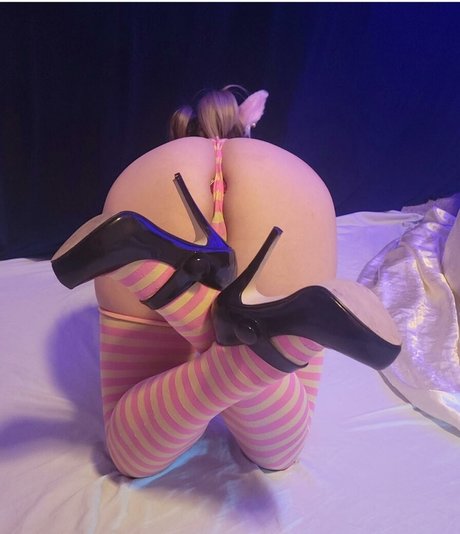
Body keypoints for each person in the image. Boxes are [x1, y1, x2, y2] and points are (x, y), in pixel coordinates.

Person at [52, 86, 401, 478]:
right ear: (246, 127)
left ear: (182, 130)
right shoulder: (290, 168)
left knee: (132, 456)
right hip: (288, 191)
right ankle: (280, 339)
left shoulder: (147, 167)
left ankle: (145, 268)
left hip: (154, 188)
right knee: (277, 455)